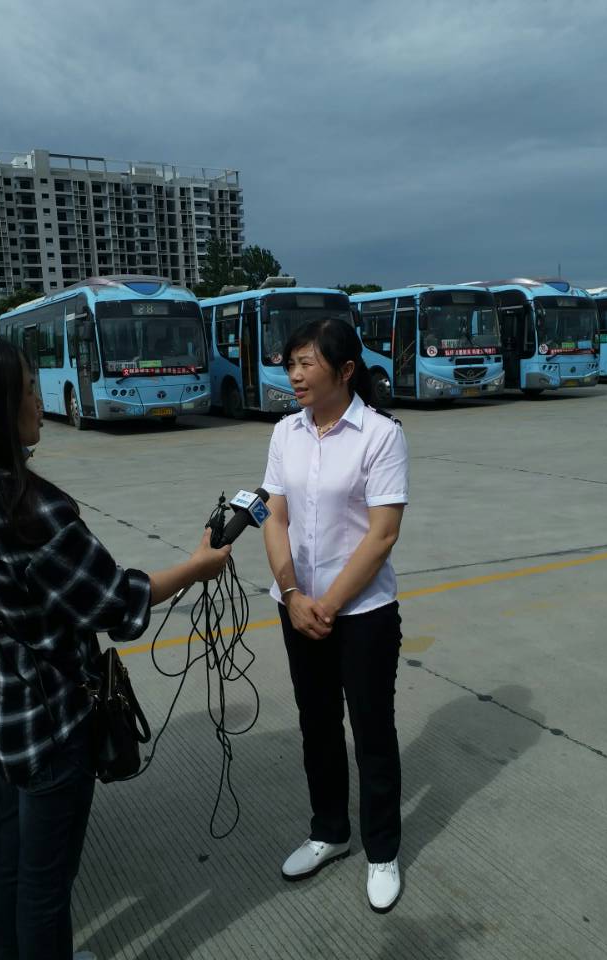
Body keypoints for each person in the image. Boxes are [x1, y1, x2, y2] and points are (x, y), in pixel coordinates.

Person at [0, 336, 231, 959]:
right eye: (28, 389)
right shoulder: (28, 511)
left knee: (11, 863)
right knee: (47, 884)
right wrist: (197, 567)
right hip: (51, 725)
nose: (40, 400)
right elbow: (114, 603)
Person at [261, 318, 408, 912]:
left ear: (346, 371)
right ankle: (329, 831)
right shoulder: (285, 433)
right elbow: (274, 518)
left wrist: (328, 603)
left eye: (307, 364)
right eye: (290, 364)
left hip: (364, 614)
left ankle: (383, 851)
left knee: (372, 731)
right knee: (316, 724)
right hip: (297, 609)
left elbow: (382, 534)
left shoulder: (380, 436)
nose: (294, 375)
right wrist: (292, 593)